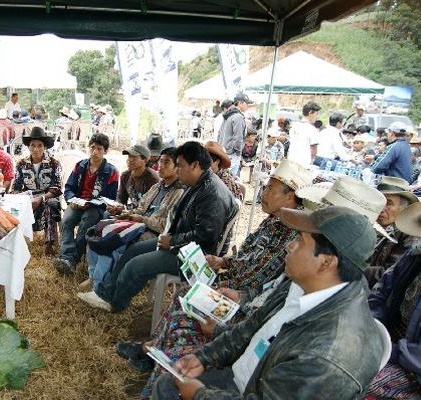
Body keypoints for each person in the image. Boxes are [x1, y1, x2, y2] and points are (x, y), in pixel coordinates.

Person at [152, 206, 383, 400]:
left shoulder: (326, 357)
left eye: (300, 241)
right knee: (167, 384)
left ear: (325, 263)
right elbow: (252, 326)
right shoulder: (306, 282)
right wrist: (205, 357)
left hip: (252, 389)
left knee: (169, 389)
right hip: (247, 377)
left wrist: (201, 396)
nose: (289, 246)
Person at [133, 160, 311, 398]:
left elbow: (263, 280)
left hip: (241, 302)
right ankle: (156, 355)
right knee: (184, 294)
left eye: (270, 189)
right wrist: (223, 262)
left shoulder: (293, 239)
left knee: (184, 319)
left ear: (290, 199)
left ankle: (166, 374)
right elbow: (248, 256)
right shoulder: (271, 222)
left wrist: (236, 291)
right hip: (231, 287)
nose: (263, 193)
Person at [85, 141, 236, 312]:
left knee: (136, 265)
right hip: (182, 243)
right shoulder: (199, 182)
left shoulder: (211, 193)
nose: (177, 170)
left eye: (179, 165)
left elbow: (205, 237)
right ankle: (106, 293)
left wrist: (171, 241)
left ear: (195, 165)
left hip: (195, 256)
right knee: (132, 251)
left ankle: (116, 303)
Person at [367, 185, 421, 400]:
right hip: (390, 343)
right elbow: (381, 291)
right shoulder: (418, 255)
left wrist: (394, 352)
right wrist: (375, 327)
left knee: (357, 382)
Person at [79, 146, 185, 294]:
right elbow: (139, 207)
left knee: (112, 240)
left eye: (166, 163)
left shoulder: (179, 192)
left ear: (177, 167)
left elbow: (166, 225)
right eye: (160, 161)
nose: (161, 166)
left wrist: (141, 219)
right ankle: (94, 277)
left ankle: (101, 286)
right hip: (137, 223)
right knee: (98, 230)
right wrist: (123, 212)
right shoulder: (157, 186)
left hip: (151, 232)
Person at [53, 133, 119, 274]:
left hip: (96, 207)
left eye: (99, 149)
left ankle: (72, 259)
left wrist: (91, 203)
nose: (94, 152)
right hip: (77, 203)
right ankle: (66, 255)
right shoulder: (81, 165)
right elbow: (69, 187)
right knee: (67, 220)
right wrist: (72, 200)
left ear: (105, 151)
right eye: (92, 147)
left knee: (86, 223)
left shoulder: (111, 171)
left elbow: (110, 198)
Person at [12, 127, 62, 255]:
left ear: (44, 147)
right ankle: (18, 244)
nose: (36, 149)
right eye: (32, 145)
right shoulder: (21, 164)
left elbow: (56, 188)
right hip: (28, 197)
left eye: (40, 145)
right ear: (28, 147)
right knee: (15, 207)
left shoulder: (54, 163)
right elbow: (16, 188)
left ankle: (49, 245)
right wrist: (24, 199)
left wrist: (42, 198)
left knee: (49, 205)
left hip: (48, 196)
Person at [363, 176, 419, 288]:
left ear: (403, 209)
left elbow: (390, 273)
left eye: (388, 203)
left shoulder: (410, 234)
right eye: (379, 201)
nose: (382, 208)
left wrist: (351, 271)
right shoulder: (371, 224)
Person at [110, 144, 159, 211]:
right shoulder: (125, 175)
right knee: (108, 214)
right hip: (131, 211)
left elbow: (150, 207)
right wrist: (118, 207)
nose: (130, 160)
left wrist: (128, 212)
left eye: (134, 157)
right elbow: (121, 198)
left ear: (144, 160)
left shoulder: (152, 179)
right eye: (129, 156)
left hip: (144, 215)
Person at [218, 94, 249, 177]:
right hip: (232, 153)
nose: (248, 106)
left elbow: (220, 133)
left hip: (224, 151)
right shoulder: (238, 116)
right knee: (229, 179)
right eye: (246, 103)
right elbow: (238, 138)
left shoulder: (228, 115)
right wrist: (238, 152)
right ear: (240, 103)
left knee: (224, 178)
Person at [287, 101, 320, 168]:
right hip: (303, 165)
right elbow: (314, 151)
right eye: (316, 114)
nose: (317, 117)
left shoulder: (294, 126)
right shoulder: (312, 129)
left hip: (290, 162)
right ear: (310, 112)